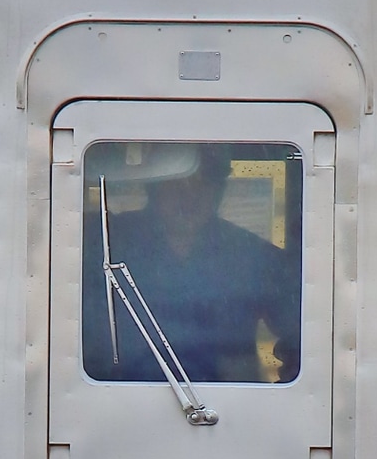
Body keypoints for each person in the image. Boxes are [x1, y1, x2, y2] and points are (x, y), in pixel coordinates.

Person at [82, 145, 300, 384]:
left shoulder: (254, 257)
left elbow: (304, 341)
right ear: (152, 187)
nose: (189, 196)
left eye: (204, 183)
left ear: (219, 190)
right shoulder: (103, 243)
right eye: (176, 183)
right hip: (115, 402)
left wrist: (273, 405)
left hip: (226, 408)